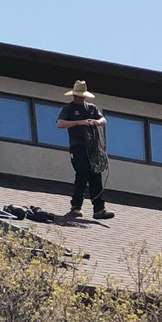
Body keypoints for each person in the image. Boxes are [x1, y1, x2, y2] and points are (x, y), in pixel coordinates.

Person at [55, 80, 114, 219]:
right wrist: (79, 123)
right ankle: (76, 206)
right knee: (82, 173)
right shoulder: (68, 109)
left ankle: (99, 209)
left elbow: (103, 120)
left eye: (83, 96)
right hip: (78, 146)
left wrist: (95, 122)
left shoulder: (91, 108)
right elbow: (60, 123)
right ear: (75, 95)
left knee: (95, 174)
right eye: (79, 96)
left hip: (92, 146)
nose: (81, 98)